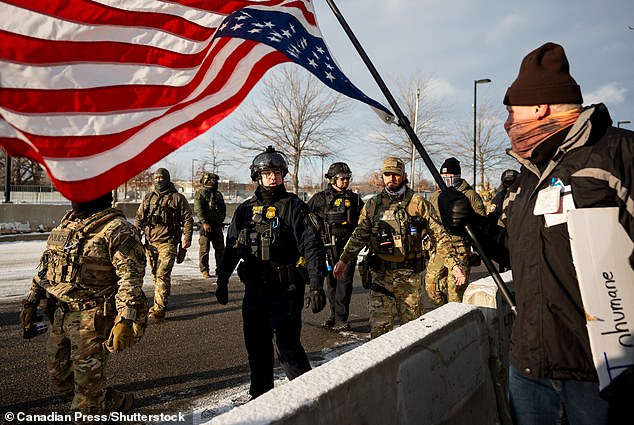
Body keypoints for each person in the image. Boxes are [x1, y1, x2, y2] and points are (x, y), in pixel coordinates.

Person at [437, 42, 634, 425]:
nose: (508, 122)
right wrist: (471, 224)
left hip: (602, 373)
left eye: (512, 111)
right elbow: (514, 250)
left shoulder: (617, 154)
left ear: (540, 106)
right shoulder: (529, 178)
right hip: (529, 368)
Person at [19, 192, 148, 414]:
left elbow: (131, 277)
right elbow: (46, 267)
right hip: (61, 314)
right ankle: (112, 402)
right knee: (60, 378)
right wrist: (31, 300)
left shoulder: (118, 229)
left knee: (86, 398)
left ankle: (93, 406)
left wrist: (126, 319)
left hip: (94, 317)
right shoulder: (67, 225)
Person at [214, 146, 326, 399]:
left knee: (287, 349)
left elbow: (313, 247)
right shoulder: (244, 210)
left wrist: (317, 285)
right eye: (266, 173)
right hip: (254, 291)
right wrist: (221, 279)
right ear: (257, 176)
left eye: (276, 172)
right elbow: (232, 247)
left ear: (283, 175)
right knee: (256, 349)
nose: (272, 177)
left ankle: (309, 399)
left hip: (285, 291)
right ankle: (261, 399)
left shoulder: (295, 207)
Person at [332, 157, 466, 339]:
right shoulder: (373, 205)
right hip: (380, 278)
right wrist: (344, 260)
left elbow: (439, 236)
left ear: (403, 176)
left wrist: (454, 265)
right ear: (382, 176)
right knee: (379, 335)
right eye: (387, 175)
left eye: (395, 175)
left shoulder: (418, 204)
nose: (391, 179)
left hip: (408, 280)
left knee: (412, 336)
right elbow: (359, 234)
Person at [307, 162, 364, 332]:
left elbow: (364, 221)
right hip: (327, 247)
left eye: (347, 178)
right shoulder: (320, 198)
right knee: (331, 282)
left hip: (347, 248)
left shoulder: (354, 199)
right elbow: (305, 215)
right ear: (332, 179)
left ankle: (341, 318)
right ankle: (333, 316)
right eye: (342, 179)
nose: (345, 182)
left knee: (344, 283)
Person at [424, 157, 486, 306]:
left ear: (458, 176)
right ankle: (444, 314)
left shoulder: (469, 195)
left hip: (460, 249)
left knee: (456, 293)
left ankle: (454, 318)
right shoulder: (435, 196)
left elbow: (481, 222)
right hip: (439, 249)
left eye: (450, 177)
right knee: (432, 288)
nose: (447, 180)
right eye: (444, 177)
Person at [135, 168, 193, 320]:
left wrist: (187, 238)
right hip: (150, 243)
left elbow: (187, 218)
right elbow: (139, 219)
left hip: (168, 242)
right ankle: (160, 301)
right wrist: (136, 236)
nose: (159, 181)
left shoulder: (177, 198)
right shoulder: (148, 198)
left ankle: (159, 308)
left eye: (162, 178)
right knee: (155, 274)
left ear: (167, 179)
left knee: (162, 274)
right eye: (157, 178)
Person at [194, 172, 226, 279]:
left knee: (220, 249)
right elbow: (198, 209)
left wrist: (220, 220)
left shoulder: (218, 195)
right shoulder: (201, 193)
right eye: (210, 181)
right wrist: (204, 222)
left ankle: (220, 269)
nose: (213, 183)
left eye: (214, 181)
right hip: (205, 226)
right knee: (204, 249)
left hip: (217, 225)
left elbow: (222, 209)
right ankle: (204, 270)